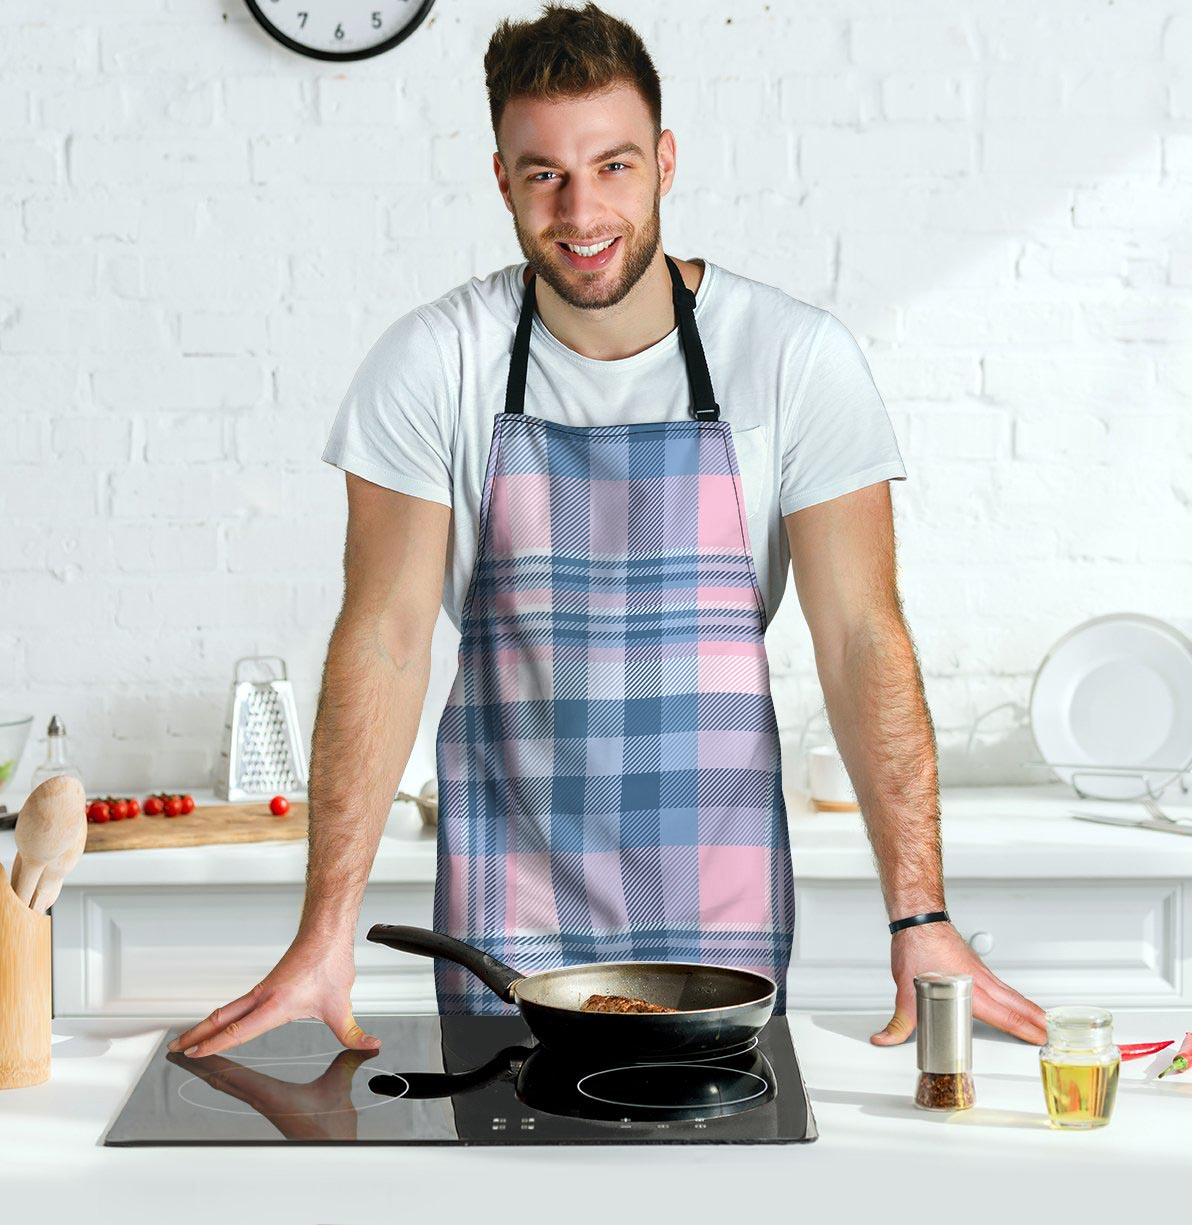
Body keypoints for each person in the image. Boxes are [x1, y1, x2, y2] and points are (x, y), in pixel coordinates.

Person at [170, 2, 1046, 1059]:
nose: (581, 209)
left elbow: (863, 634)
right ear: (501, 178)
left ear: (664, 161)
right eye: (543, 173)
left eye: (613, 165)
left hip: (722, 926)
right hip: (505, 921)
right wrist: (324, 931)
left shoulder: (792, 358)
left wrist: (919, 913)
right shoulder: (433, 362)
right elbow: (386, 641)